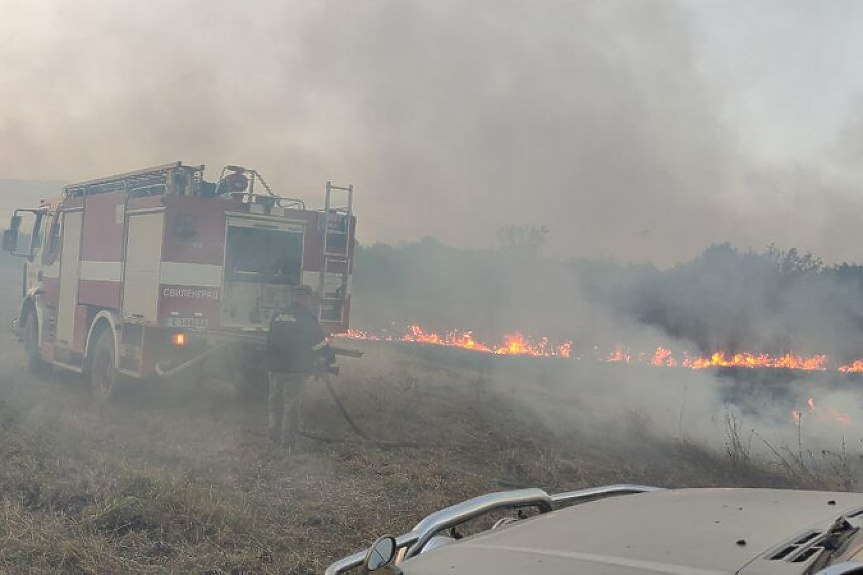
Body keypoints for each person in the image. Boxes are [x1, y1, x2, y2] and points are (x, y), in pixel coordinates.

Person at [265, 284, 336, 449]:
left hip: (275, 367)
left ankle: (273, 436)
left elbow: (270, 340)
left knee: (275, 403)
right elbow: (318, 343)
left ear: (295, 296)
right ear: (307, 298)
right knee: (291, 405)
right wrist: (330, 357)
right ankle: (288, 443)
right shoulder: (306, 318)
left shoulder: (278, 315)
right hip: (295, 368)